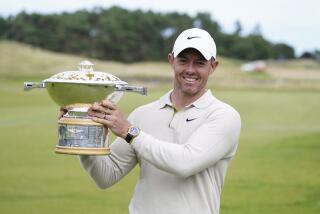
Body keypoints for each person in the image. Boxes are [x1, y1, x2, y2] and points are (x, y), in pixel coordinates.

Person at [80, 28, 241, 214]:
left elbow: (185, 163)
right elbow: (107, 176)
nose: (190, 69)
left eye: (199, 63)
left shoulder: (224, 116)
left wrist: (128, 131)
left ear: (213, 66)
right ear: (171, 60)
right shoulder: (143, 114)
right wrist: (86, 131)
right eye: (183, 60)